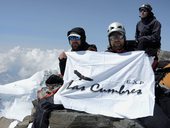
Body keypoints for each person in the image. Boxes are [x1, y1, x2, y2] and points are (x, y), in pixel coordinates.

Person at [107, 21, 170, 128]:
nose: (117, 39)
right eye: (113, 36)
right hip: (116, 97)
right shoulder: (104, 58)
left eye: (120, 35)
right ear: (109, 40)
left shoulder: (136, 54)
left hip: (139, 96)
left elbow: (151, 65)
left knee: (162, 123)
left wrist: (152, 55)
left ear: (124, 37)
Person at [135, 4, 161, 71]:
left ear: (149, 12)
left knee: (143, 40)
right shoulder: (138, 24)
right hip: (141, 48)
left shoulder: (155, 22)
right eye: (141, 10)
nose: (142, 12)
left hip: (152, 49)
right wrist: (137, 40)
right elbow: (136, 36)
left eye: (144, 10)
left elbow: (156, 37)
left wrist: (143, 38)